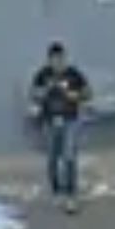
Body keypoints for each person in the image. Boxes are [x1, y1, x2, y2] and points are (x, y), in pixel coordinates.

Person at [28, 42, 91, 213]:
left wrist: (71, 94)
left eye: (60, 59)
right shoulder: (43, 75)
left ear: (64, 58)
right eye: (54, 59)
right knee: (52, 158)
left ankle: (71, 193)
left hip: (70, 120)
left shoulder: (73, 74)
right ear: (49, 60)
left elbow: (87, 94)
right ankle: (56, 190)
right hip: (50, 121)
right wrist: (47, 90)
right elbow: (34, 94)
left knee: (69, 156)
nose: (57, 63)